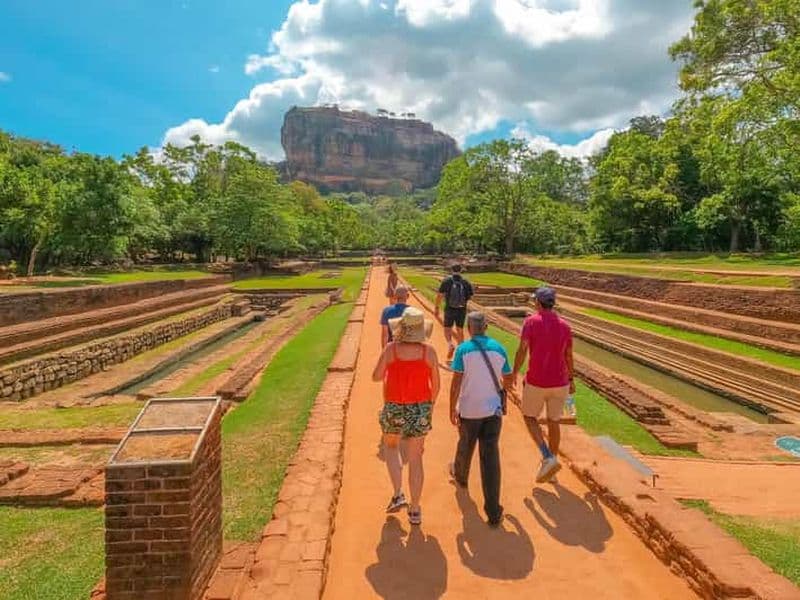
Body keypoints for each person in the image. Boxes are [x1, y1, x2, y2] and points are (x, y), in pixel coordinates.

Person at [372, 307, 440, 526]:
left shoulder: (391, 349)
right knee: (416, 457)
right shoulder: (428, 352)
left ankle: (398, 492)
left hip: (394, 405)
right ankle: (415, 509)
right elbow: (436, 386)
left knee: (391, 447)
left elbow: (376, 376)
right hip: (420, 406)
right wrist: (429, 406)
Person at [449, 311, 511, 527]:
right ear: (485, 327)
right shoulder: (499, 348)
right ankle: (493, 511)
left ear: (468, 328)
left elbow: (456, 383)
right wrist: (502, 392)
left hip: (469, 410)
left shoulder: (463, 350)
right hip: (492, 411)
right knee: (490, 458)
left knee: (465, 446)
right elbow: (508, 377)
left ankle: (461, 476)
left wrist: (451, 408)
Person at [512, 287, 575, 484]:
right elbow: (569, 355)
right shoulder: (565, 326)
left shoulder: (531, 322)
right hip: (561, 381)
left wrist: (514, 372)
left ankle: (547, 456)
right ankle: (552, 468)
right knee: (553, 421)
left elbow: (522, 350)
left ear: (538, 302)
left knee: (529, 417)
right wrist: (571, 379)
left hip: (537, 381)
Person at [435, 264, 474, 360]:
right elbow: (470, 297)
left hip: (449, 308)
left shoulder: (447, 281)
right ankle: (461, 352)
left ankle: (450, 344)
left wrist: (437, 307)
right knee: (460, 330)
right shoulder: (465, 282)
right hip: (461, 309)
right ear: (461, 270)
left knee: (447, 328)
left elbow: (439, 295)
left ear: (451, 270)